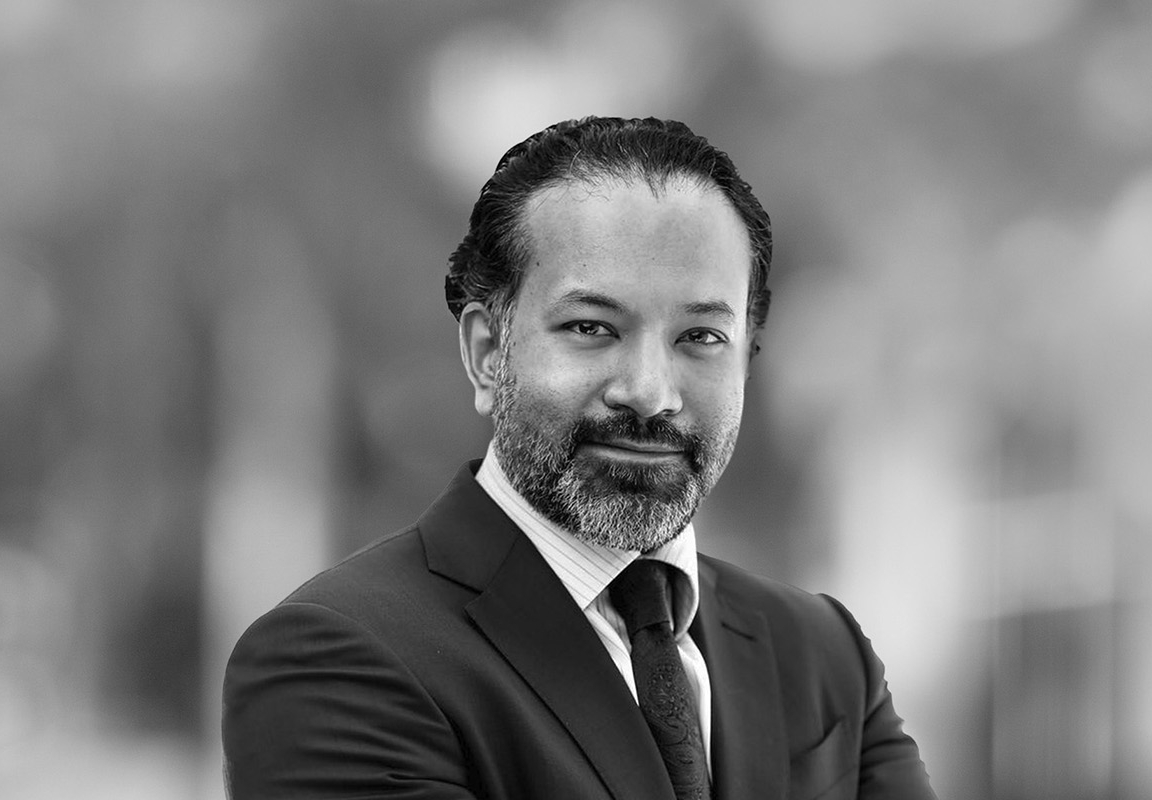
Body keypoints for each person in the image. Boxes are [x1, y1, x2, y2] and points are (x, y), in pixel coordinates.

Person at [222, 116, 936, 800]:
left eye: (700, 337)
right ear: (487, 353)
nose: (650, 393)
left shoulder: (824, 656)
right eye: (592, 327)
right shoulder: (340, 657)